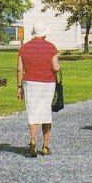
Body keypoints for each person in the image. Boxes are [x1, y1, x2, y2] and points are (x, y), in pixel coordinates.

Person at [17, 22, 61, 157]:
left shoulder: (23, 48)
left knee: (33, 111)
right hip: (47, 82)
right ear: (44, 34)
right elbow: (56, 67)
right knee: (46, 111)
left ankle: (33, 139)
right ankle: (46, 145)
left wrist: (19, 87)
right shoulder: (51, 47)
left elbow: (19, 69)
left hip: (30, 82)